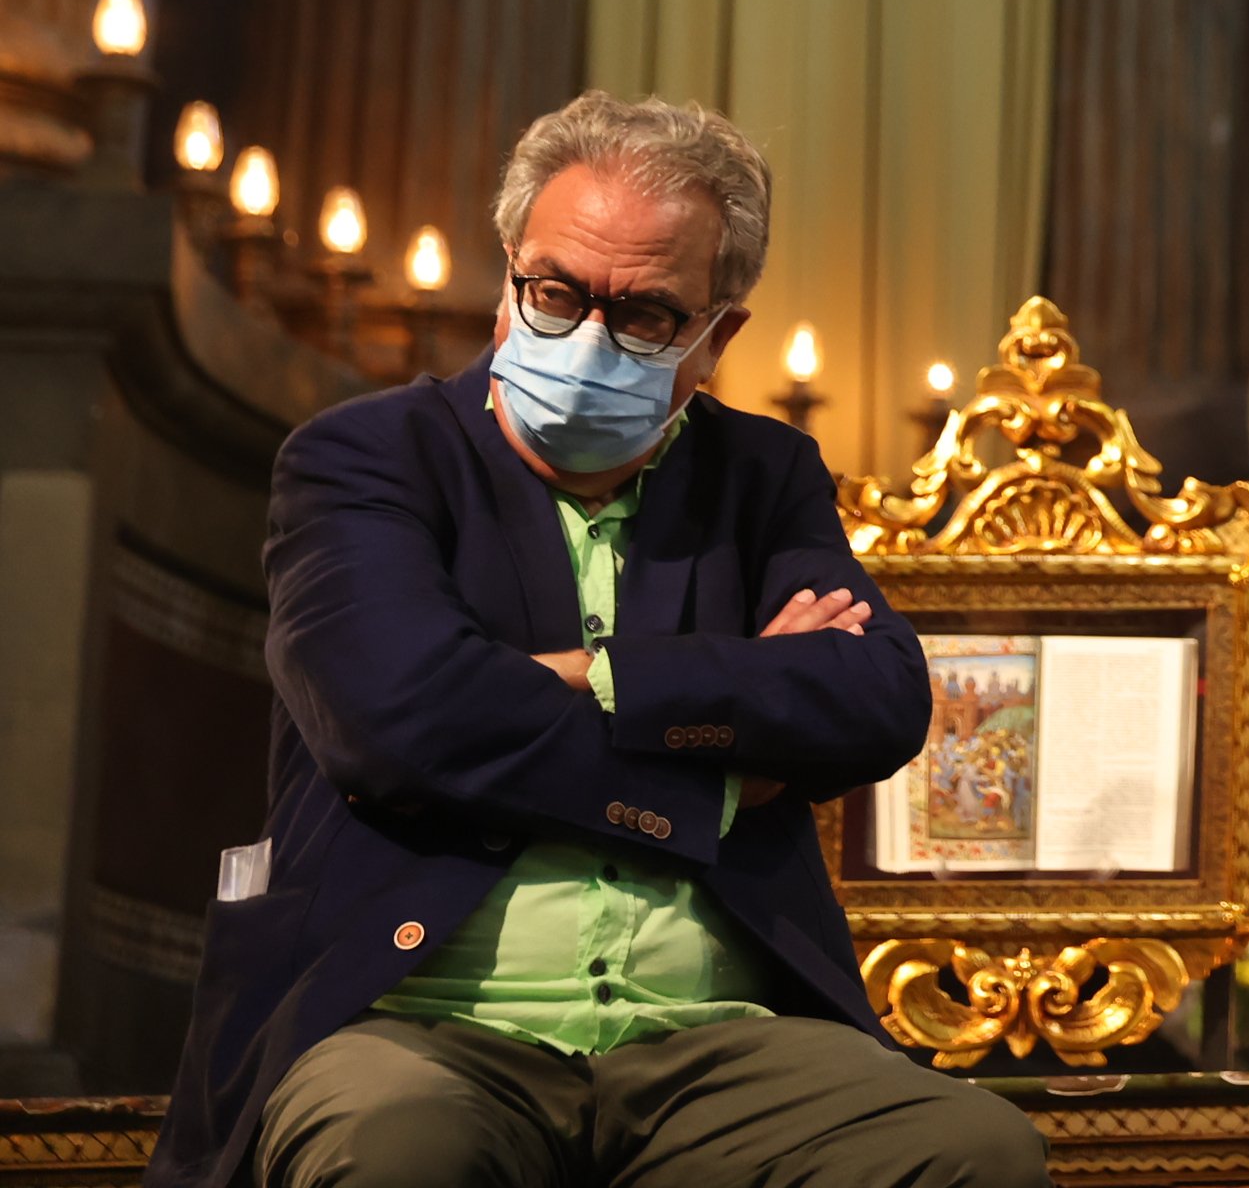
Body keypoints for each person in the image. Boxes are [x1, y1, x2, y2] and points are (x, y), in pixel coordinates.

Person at [148, 94, 1043, 1188]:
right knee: (394, 1149)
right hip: (412, 1023)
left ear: (718, 339)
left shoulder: (763, 479)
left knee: (973, 1150)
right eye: (558, 293)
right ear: (507, 285)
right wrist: (717, 775)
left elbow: (875, 696)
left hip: (714, 1037)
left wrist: (593, 675)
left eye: (648, 314)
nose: (587, 337)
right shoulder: (366, 458)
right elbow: (397, 721)